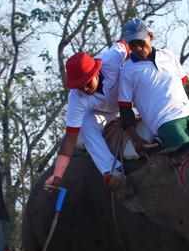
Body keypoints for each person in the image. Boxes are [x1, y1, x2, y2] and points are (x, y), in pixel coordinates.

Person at [117, 19, 189, 155]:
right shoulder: (127, 71)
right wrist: (137, 140)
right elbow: (125, 109)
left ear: (150, 36)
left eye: (141, 42)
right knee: (185, 154)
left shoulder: (168, 55)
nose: (138, 48)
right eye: (132, 44)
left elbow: (186, 84)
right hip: (166, 121)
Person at [44, 37, 131, 192]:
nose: (84, 89)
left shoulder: (111, 59)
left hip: (132, 100)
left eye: (87, 82)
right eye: (79, 86)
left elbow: (128, 43)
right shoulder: (76, 97)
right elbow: (70, 137)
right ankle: (113, 170)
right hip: (106, 113)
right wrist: (58, 175)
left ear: (96, 72)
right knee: (85, 125)